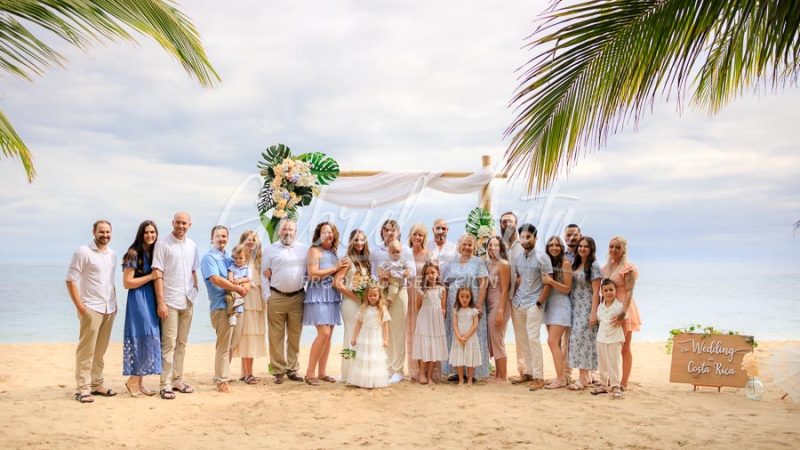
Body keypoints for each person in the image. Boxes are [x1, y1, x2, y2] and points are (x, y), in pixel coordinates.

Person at [66, 219, 118, 403]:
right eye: (101, 232)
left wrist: (115, 304)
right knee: (86, 350)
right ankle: (83, 389)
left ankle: (97, 384)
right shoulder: (83, 252)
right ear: (93, 232)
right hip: (91, 308)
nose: (105, 235)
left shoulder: (112, 254)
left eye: (107, 232)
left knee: (100, 351)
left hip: (109, 308)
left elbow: (109, 282)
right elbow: (71, 279)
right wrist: (80, 306)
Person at [152, 212, 200, 399]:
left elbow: (193, 270)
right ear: (173, 223)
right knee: (169, 344)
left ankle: (178, 380)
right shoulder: (163, 244)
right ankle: (166, 384)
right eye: (178, 223)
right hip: (169, 301)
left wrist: (195, 289)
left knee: (182, 343)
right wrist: (161, 301)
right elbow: (158, 273)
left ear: (189, 224)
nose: (181, 226)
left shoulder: (192, 245)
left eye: (184, 223)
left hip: (188, 300)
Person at [200, 225, 248, 393]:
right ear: (212, 238)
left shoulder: (229, 257)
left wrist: (244, 285)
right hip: (221, 306)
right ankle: (221, 380)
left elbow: (241, 273)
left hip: (238, 306)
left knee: (232, 344)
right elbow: (215, 279)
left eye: (224, 236)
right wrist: (238, 288)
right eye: (218, 236)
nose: (222, 239)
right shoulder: (208, 258)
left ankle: (222, 374)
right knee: (223, 345)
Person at [304, 221, 349, 386]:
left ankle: (322, 372)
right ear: (319, 235)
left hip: (331, 295)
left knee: (328, 336)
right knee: (323, 333)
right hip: (317, 295)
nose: (328, 235)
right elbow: (312, 274)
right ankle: (309, 373)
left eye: (331, 232)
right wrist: (335, 267)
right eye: (324, 232)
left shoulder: (334, 253)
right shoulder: (314, 251)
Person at [370, 219, 415, 384]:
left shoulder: (406, 251)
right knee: (385, 330)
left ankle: (398, 370)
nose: (389, 233)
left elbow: (412, 273)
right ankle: (387, 368)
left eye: (393, 230)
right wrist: (382, 278)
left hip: (400, 293)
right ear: (382, 232)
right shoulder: (376, 252)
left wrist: (393, 276)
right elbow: (373, 273)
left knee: (398, 331)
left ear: (398, 233)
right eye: (386, 230)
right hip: (382, 292)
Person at [263, 218, 308, 384]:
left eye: (290, 229)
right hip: (276, 296)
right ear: (279, 231)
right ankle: (278, 370)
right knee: (276, 336)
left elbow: (310, 271)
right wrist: (267, 296)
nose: (287, 232)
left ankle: (292, 369)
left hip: (298, 297)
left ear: (295, 232)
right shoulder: (270, 249)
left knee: (295, 336)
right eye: (284, 229)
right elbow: (264, 274)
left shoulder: (304, 249)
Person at [509, 224, 553, 391]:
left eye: (529, 237)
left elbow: (548, 282)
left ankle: (539, 377)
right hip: (518, 303)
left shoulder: (543, 257)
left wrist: (540, 302)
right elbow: (520, 277)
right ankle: (527, 373)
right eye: (523, 237)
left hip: (534, 303)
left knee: (533, 339)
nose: (525, 240)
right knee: (522, 340)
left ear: (535, 238)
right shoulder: (518, 258)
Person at [121, 220, 162, 397]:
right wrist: (150, 276)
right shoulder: (133, 253)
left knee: (149, 338)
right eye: (146, 232)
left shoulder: (154, 253)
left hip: (151, 299)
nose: (150, 235)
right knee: (143, 337)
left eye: (153, 232)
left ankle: (139, 382)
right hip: (138, 300)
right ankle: (133, 380)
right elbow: (127, 283)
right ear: (140, 234)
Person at [442, 234, 489, 380]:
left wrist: (479, 306)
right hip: (454, 304)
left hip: (473, 303)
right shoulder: (451, 262)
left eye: (470, 245)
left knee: (473, 335)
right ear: (459, 246)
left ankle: (473, 373)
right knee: (456, 334)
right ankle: (456, 371)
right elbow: (445, 285)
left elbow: (483, 283)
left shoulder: (479, 262)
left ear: (474, 247)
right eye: (464, 244)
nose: (467, 247)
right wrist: (444, 305)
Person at [601, 236, 641, 391]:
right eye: (611, 247)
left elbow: (630, 291)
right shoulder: (606, 268)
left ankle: (623, 382)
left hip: (624, 309)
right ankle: (613, 378)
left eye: (617, 247)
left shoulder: (628, 268)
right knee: (610, 346)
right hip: (609, 309)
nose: (614, 250)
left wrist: (624, 312)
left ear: (623, 249)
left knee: (624, 347)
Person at [334, 229, 371, 381]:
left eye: (362, 240)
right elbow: (337, 283)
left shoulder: (366, 260)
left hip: (363, 304)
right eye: (356, 240)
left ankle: (360, 371)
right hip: (350, 304)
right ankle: (348, 373)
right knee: (350, 335)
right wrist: (355, 296)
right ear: (351, 242)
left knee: (362, 336)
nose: (359, 243)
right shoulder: (347, 260)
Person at [232, 230, 266, 385]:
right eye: (247, 239)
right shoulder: (239, 259)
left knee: (251, 334)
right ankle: (249, 373)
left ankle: (244, 372)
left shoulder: (259, 259)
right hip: (246, 298)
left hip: (257, 299)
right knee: (247, 334)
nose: (250, 242)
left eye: (253, 239)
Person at [567, 237, 601, 391]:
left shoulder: (593, 266)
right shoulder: (576, 263)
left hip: (587, 308)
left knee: (583, 341)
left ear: (591, 248)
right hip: (574, 308)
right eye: (580, 246)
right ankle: (585, 376)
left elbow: (596, 292)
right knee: (577, 342)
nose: (582, 249)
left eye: (586, 246)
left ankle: (583, 378)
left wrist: (593, 313)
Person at [541, 236, 573, 389]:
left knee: (551, 341)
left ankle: (560, 379)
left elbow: (567, 289)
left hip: (561, 304)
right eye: (551, 245)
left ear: (561, 248)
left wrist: (551, 282)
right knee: (556, 344)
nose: (554, 248)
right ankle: (561, 376)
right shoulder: (547, 264)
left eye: (557, 245)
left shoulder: (565, 263)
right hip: (549, 305)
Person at [347, 283, 391, 389]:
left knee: (374, 358)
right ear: (367, 296)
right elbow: (358, 324)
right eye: (370, 295)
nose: (372, 297)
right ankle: (363, 381)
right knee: (364, 357)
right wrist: (354, 337)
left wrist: (386, 340)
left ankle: (373, 380)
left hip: (376, 337)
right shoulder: (363, 308)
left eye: (375, 295)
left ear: (379, 295)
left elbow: (385, 326)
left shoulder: (382, 309)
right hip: (364, 336)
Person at [412, 262, 448, 385]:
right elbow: (418, 307)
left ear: (438, 273)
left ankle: (430, 375)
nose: (430, 275)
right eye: (427, 273)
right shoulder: (422, 289)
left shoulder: (441, 289)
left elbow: (443, 306)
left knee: (434, 347)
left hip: (436, 320)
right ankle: (422, 373)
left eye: (433, 272)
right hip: (424, 319)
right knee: (425, 345)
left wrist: (441, 315)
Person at [591, 279, 625, 399]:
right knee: (603, 362)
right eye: (606, 290)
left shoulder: (620, 307)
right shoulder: (600, 307)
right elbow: (599, 320)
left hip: (615, 339)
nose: (609, 292)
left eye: (611, 289)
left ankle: (616, 386)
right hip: (601, 338)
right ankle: (603, 384)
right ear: (602, 292)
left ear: (615, 291)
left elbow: (624, 321)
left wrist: (622, 339)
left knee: (614, 363)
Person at [485, 236, 511, 381]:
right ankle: (497, 373)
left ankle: (503, 376)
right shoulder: (490, 264)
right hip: (490, 305)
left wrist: (500, 310)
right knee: (494, 339)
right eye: (489, 246)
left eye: (495, 246)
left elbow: (506, 289)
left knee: (498, 340)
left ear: (501, 248)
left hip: (499, 304)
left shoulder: (503, 264)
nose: (492, 248)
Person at [407, 223, 430, 382]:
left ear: (424, 238)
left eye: (420, 235)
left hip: (423, 295)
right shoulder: (405, 253)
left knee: (424, 332)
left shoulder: (428, 254)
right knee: (411, 332)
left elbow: (433, 275)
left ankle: (426, 371)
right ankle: (414, 370)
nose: (417, 237)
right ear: (411, 236)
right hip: (408, 294)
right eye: (415, 234)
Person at [448, 287, 482, 386]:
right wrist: (459, 336)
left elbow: (475, 325)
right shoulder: (456, 310)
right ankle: (461, 379)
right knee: (459, 358)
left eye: (467, 297)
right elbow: (454, 324)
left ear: (471, 297)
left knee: (470, 358)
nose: (464, 299)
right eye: (462, 296)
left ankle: (470, 379)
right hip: (459, 337)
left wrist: (466, 336)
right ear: (458, 297)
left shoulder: (473, 310)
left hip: (470, 337)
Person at [225, 245, 250, 326]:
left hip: (240, 286)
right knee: (228, 298)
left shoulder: (246, 268)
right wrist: (231, 280)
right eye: (235, 258)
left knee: (236, 302)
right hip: (233, 286)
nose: (238, 260)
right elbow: (230, 274)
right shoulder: (232, 267)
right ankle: (233, 315)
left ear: (245, 259)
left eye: (240, 258)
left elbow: (248, 278)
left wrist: (240, 280)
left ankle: (235, 315)